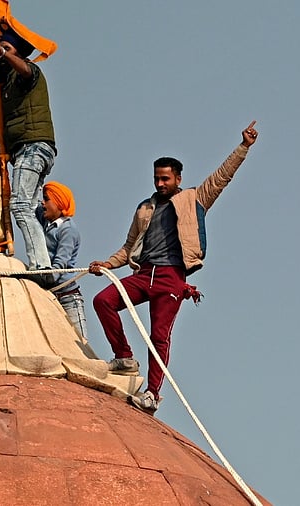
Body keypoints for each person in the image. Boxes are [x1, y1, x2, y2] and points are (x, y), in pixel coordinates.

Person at [88, 121, 259, 413]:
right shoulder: (145, 208)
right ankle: (124, 356)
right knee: (102, 300)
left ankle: (153, 393)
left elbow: (222, 177)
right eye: (157, 179)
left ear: (178, 178)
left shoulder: (194, 199)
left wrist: (243, 147)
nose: (160, 184)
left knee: (159, 335)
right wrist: (107, 263)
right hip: (143, 274)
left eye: (165, 179)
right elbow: (129, 246)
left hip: (171, 278)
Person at [0, 30, 57, 278]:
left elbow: (26, 71)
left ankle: (42, 266)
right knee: (35, 210)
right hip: (24, 150)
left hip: (33, 147)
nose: (1, 56)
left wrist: (3, 52)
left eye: (7, 49)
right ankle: (48, 261)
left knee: (20, 205)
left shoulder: (28, 72)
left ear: (20, 54)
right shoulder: (7, 84)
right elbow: (5, 123)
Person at [37, 181, 86, 338]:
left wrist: (41, 277)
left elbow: (60, 264)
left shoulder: (68, 230)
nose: (42, 204)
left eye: (46, 199)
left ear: (58, 202)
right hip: (48, 295)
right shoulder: (46, 221)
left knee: (81, 345)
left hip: (67, 297)